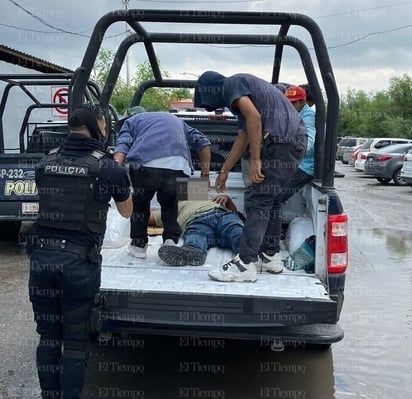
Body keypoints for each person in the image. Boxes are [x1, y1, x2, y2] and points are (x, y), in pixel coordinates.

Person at [28, 105, 133, 399]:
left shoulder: (44, 162)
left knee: (48, 338)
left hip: (41, 261)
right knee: (74, 342)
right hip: (78, 265)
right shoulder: (108, 167)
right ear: (97, 128)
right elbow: (126, 213)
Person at [194, 71, 307, 282]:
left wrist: (256, 160)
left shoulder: (231, 84)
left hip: (282, 143)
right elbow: (243, 136)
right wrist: (224, 170)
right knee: (270, 199)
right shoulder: (246, 93)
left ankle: (244, 265)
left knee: (258, 199)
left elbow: (255, 119)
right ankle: (270, 255)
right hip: (293, 142)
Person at [114, 111, 211, 259]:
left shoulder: (131, 121)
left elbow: (122, 146)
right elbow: (203, 142)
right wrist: (205, 175)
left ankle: (138, 246)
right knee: (170, 203)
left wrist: (115, 169)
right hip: (178, 165)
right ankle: (170, 241)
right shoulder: (178, 121)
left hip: (145, 165)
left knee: (140, 203)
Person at [281, 85, 316, 202]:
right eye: (288, 103)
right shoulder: (294, 113)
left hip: (306, 166)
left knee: (276, 197)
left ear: (302, 101)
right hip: (298, 162)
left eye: (293, 103)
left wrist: (293, 152)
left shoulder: (308, 115)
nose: (289, 106)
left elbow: (309, 141)